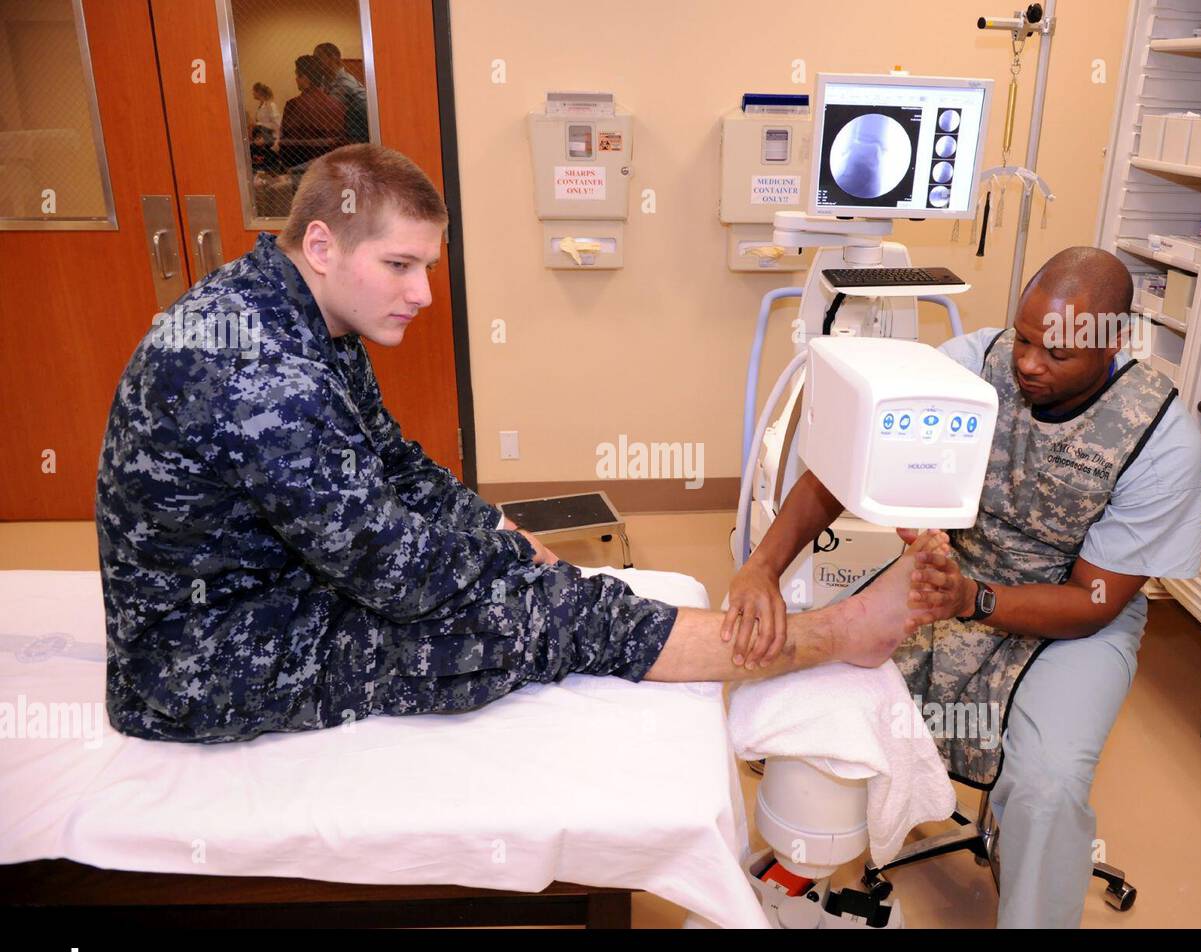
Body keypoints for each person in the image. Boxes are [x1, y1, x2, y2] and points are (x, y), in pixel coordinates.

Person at [95, 142, 945, 745]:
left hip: (269, 586)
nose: (423, 293)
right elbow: (397, 573)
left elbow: (395, 464)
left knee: (515, 572)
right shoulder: (260, 372)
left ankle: (623, 609)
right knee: (531, 618)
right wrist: (509, 569)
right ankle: (833, 635)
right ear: (321, 244)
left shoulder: (299, 310)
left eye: (427, 266)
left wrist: (495, 530)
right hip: (203, 660)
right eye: (399, 266)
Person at [726, 247, 1201, 928]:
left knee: (1045, 785)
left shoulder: (1160, 440)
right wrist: (762, 567)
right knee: (808, 685)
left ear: (1113, 340)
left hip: (1077, 617)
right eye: (1026, 338)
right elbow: (844, 463)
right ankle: (798, 874)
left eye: (1058, 353)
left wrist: (972, 600)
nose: (1030, 363)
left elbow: (1095, 599)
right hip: (953, 570)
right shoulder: (972, 364)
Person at [278, 55, 345, 169]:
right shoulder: (337, 105)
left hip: (303, 169)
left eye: (297, 76)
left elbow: (288, 147)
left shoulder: (294, 105)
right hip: (331, 167)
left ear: (305, 78)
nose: (296, 80)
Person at [313, 42, 369, 144]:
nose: (315, 62)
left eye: (318, 57)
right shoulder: (325, 81)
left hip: (359, 137)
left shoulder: (345, 83)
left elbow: (327, 113)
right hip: (345, 135)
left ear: (333, 58)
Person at [250, 82, 280, 147]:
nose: (252, 93)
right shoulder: (260, 106)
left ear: (259, 92)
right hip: (262, 138)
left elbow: (276, 124)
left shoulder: (271, 105)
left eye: (254, 91)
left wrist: (258, 124)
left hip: (271, 139)